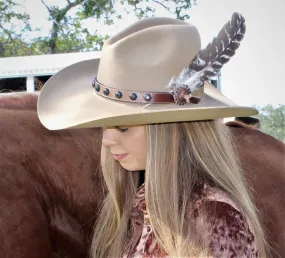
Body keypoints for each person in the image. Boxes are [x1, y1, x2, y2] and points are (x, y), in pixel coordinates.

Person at [37, 13, 268, 257]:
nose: (106, 140)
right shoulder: (136, 208)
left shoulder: (212, 219)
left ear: (170, 132)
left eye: (123, 127)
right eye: (105, 125)